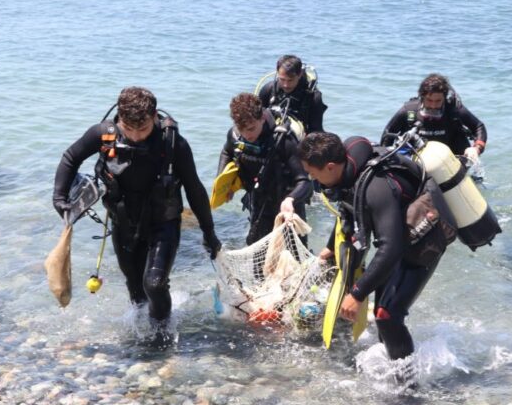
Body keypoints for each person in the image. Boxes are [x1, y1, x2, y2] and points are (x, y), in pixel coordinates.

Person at [52, 87, 221, 324]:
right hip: (124, 222)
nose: (135, 136)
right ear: (120, 119)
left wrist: (209, 232)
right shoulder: (104, 134)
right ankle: (141, 335)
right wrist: (59, 197)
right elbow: (70, 158)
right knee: (135, 287)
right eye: (128, 129)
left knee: (154, 283)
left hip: (164, 222)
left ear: (154, 117)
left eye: (142, 129)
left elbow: (195, 189)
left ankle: (161, 335)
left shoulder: (173, 144)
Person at [298, 132, 454, 360]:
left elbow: (391, 248)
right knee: (384, 309)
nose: (311, 178)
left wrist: (357, 294)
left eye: (312, 173)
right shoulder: (348, 172)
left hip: (423, 240)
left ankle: (407, 388)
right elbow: (347, 209)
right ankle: (393, 359)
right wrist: (331, 246)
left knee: (386, 315)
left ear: (330, 167)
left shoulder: (375, 189)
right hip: (397, 233)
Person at [218, 92, 312, 246]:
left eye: (251, 128)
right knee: (257, 252)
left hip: (287, 205)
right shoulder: (235, 135)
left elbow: (304, 182)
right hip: (258, 199)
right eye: (241, 129)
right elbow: (226, 152)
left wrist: (291, 199)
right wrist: (223, 181)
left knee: (295, 254)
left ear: (262, 118)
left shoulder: (283, 140)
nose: (247, 135)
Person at [381, 73, 487, 165]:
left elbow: (479, 126)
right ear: (422, 97)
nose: (433, 105)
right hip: (417, 160)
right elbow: (388, 134)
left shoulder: (454, 110)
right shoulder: (409, 111)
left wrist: (476, 148)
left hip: (452, 161)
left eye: (438, 101)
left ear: (444, 98)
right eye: (429, 100)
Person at [258, 54, 328, 134]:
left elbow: (316, 130)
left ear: (300, 74)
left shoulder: (313, 97)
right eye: (282, 79)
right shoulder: (268, 90)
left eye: (290, 80)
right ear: (277, 73)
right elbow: (255, 119)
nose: (286, 85)